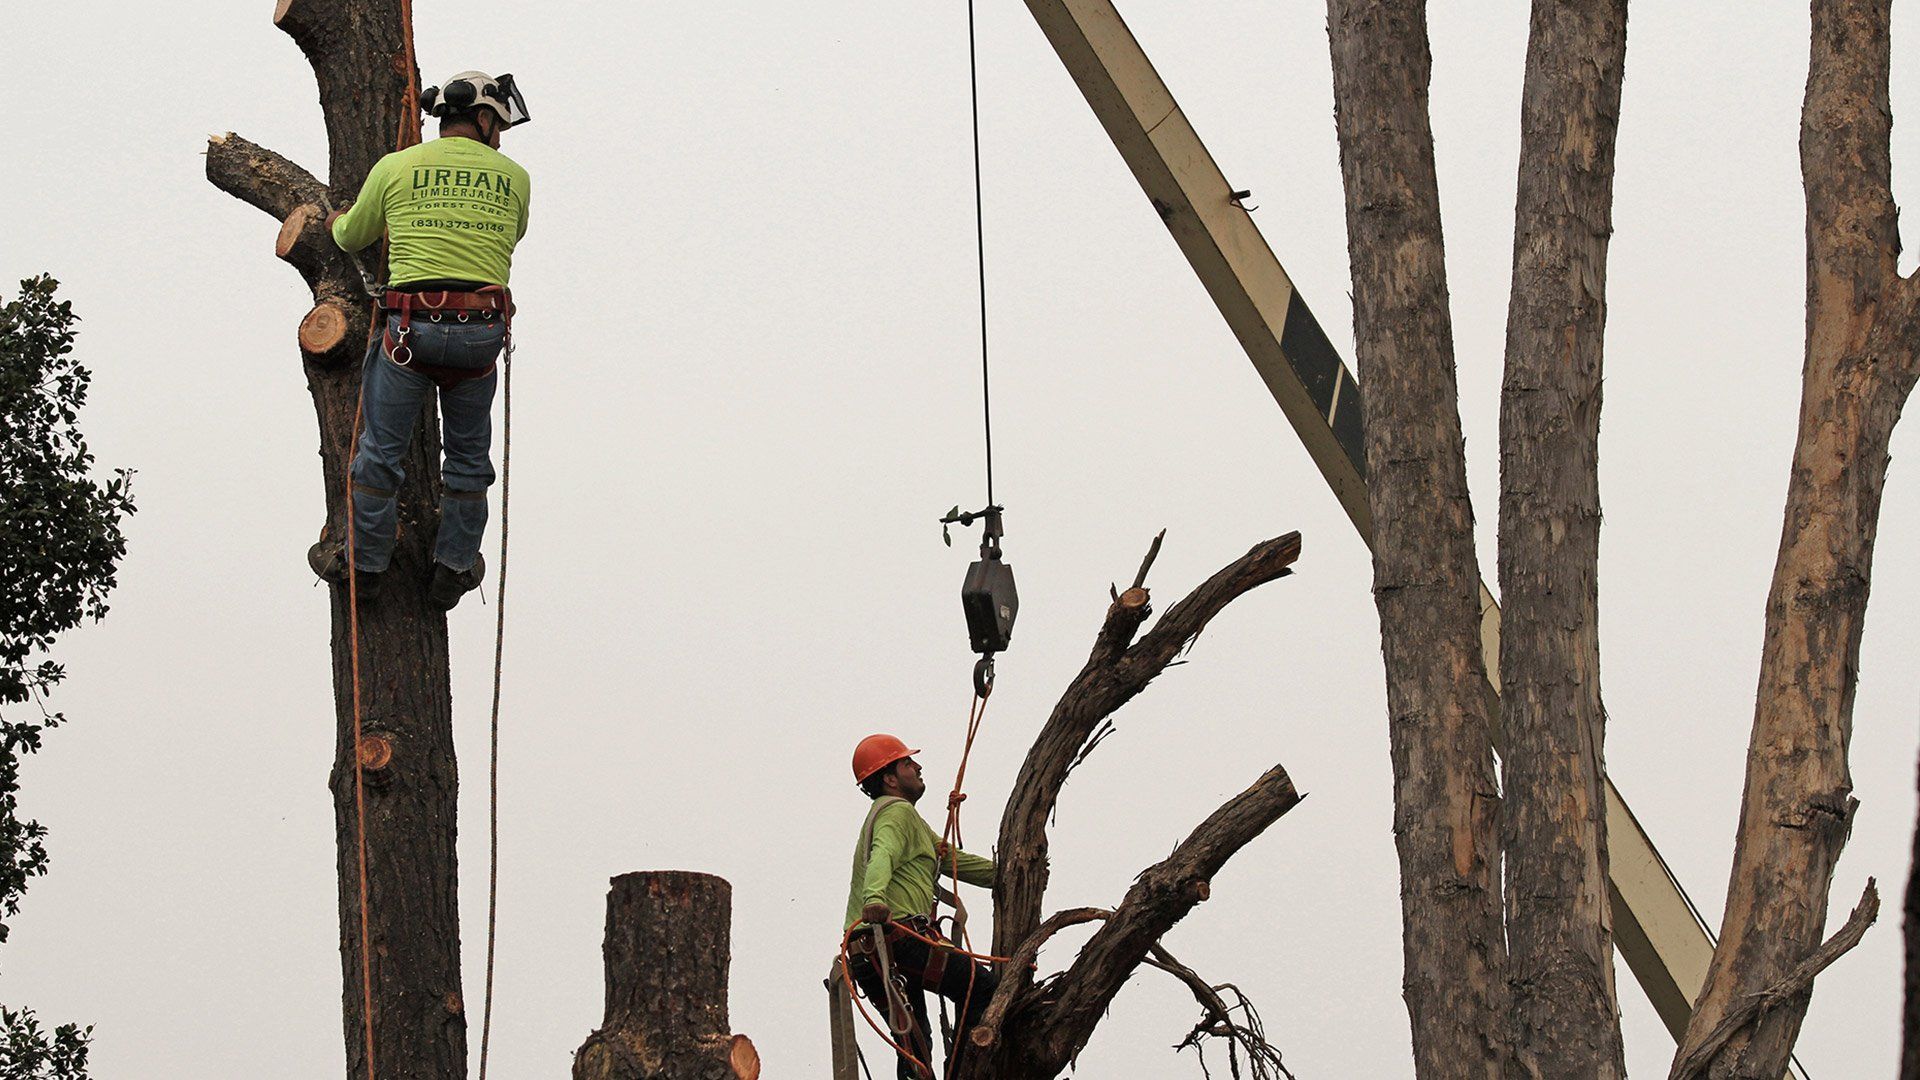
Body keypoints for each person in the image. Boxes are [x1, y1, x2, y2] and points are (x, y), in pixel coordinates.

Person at [307, 70, 532, 610]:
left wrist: (343, 218)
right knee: (469, 461)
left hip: (411, 333)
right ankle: (454, 566)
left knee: (379, 455)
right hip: (480, 337)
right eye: (497, 124)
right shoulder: (516, 177)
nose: (498, 135)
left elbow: (349, 235)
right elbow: (513, 233)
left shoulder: (395, 167)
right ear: (482, 119)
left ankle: (365, 565)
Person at [844, 734, 999, 1079]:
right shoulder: (897, 813)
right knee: (980, 986)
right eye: (907, 763)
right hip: (894, 939)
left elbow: (952, 860)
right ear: (889, 777)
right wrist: (874, 899)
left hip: (868, 951)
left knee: (916, 1046)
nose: (917, 766)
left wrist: (1004, 874)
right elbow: (882, 854)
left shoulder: (907, 821)